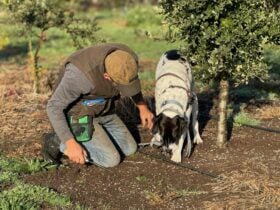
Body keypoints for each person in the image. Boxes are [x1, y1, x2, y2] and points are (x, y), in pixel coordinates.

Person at [42, 43, 154, 167]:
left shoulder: (127, 58)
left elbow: (130, 82)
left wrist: (142, 107)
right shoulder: (80, 76)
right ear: (106, 76)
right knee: (110, 160)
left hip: (105, 108)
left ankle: (93, 133)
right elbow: (54, 107)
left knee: (129, 149)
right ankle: (57, 141)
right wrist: (70, 143)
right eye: (120, 85)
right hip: (80, 113)